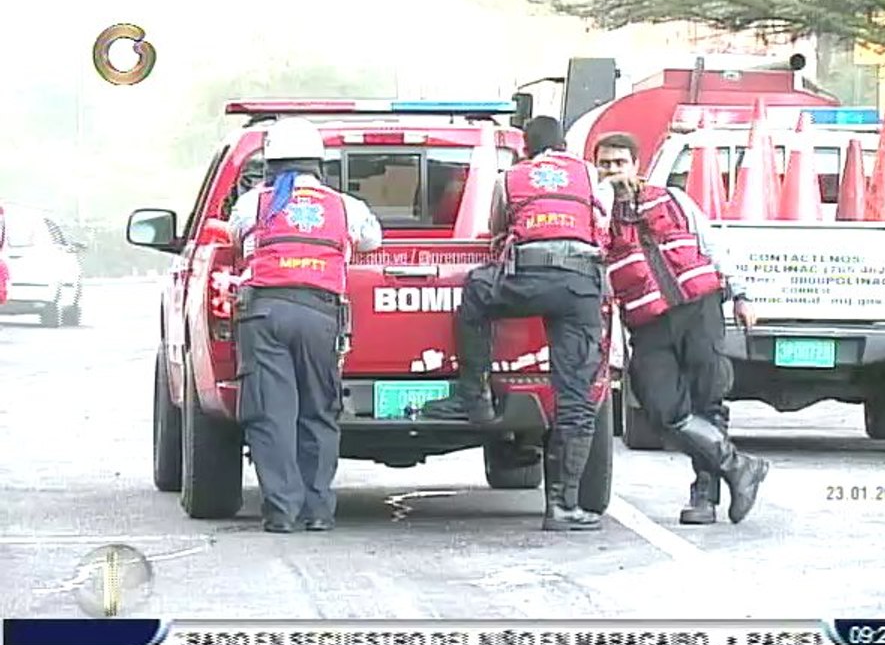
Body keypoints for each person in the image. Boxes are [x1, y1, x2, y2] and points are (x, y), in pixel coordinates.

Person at [421, 116, 613, 532]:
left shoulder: (512, 178)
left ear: (527, 147)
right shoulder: (588, 174)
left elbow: (496, 230)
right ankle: (562, 507)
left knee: (476, 293)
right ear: (564, 146)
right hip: (579, 285)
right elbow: (603, 225)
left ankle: (476, 397)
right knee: (576, 396)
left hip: (527, 278)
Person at [594, 132, 768, 525]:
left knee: (708, 400)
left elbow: (711, 244)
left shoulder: (671, 199)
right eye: (604, 164)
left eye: (619, 163)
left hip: (699, 308)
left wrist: (742, 294)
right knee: (661, 406)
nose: (612, 171)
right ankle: (740, 466)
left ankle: (704, 498)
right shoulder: (597, 217)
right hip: (649, 323)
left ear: (635, 165)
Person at [227, 117, 383, 533]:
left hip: (265, 314)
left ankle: (282, 512)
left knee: (271, 414)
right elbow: (372, 241)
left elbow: (235, 238)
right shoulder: (345, 206)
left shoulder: (253, 204)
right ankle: (319, 512)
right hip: (321, 316)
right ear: (320, 164)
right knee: (318, 412)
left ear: (271, 165)